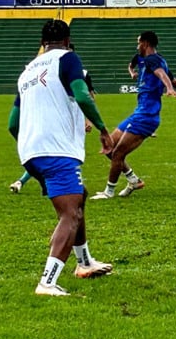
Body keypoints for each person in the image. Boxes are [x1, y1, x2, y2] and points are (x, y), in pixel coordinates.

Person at [13, 20, 115, 296]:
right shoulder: (68, 58)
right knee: (70, 214)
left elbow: (13, 123)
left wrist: (31, 147)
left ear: (42, 41)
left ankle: (84, 263)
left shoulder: (27, 72)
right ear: (67, 40)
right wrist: (103, 130)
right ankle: (47, 282)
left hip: (30, 153)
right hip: (57, 151)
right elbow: (82, 95)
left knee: (78, 196)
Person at [91, 30, 176, 199]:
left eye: (139, 42)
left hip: (146, 117)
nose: (137, 46)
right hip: (139, 113)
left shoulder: (152, 60)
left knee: (117, 153)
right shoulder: (159, 60)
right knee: (110, 148)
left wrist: (169, 89)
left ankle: (108, 192)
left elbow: (162, 76)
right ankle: (134, 180)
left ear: (146, 43)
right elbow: (172, 78)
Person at [11, 43, 97, 193]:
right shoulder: (47, 70)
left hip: (63, 126)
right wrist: (101, 127)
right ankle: (22, 181)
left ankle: (25, 181)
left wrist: (88, 120)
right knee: (56, 156)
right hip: (57, 126)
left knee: (46, 155)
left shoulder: (82, 73)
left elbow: (88, 96)